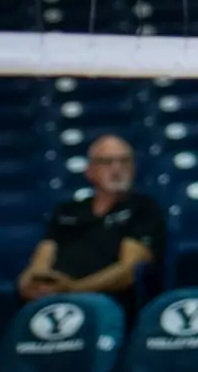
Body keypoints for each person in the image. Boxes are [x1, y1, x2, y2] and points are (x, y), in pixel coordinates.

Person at [17, 135, 164, 316]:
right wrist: (28, 284)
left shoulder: (144, 208)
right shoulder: (66, 210)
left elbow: (129, 270)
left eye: (124, 161)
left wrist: (74, 289)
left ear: (133, 169)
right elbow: (41, 260)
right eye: (106, 162)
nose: (117, 168)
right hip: (54, 300)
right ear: (90, 171)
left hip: (106, 305)